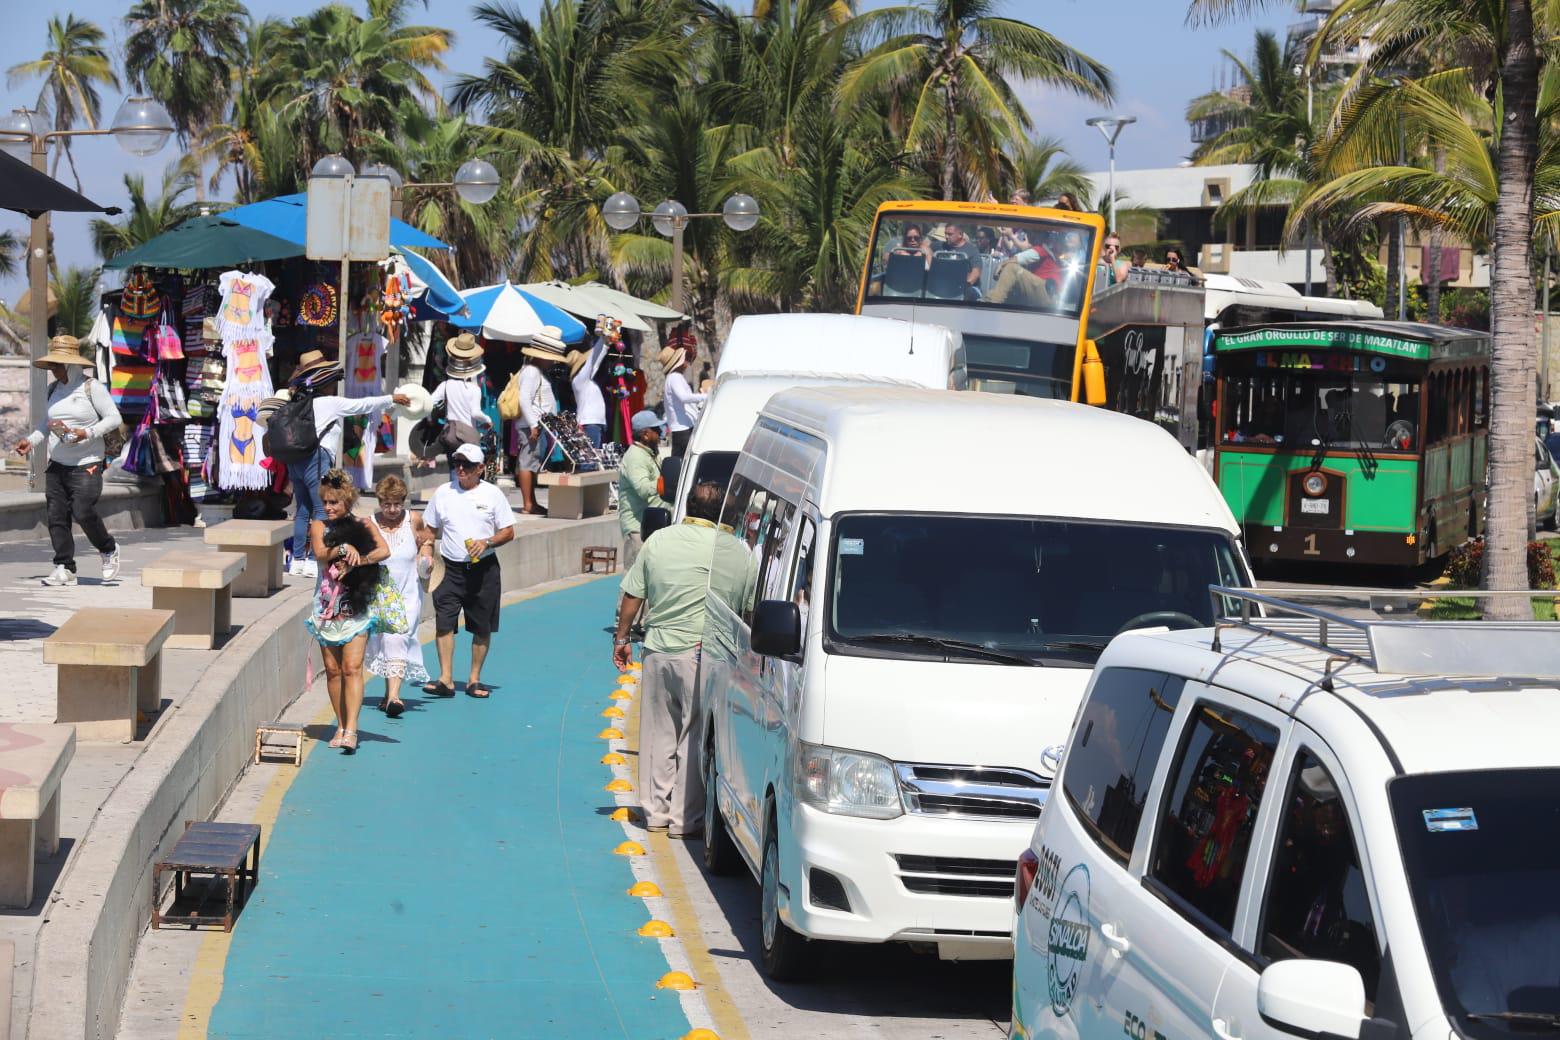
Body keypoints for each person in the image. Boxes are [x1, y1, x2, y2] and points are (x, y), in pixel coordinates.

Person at [611, 481, 732, 837]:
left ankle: (655, 813)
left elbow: (633, 593)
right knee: (692, 735)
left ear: (688, 507)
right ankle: (684, 819)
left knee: (657, 733)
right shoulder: (728, 549)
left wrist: (621, 638)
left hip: (658, 649)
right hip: (700, 653)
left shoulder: (658, 540)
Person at [285, 350, 408, 577]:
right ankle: (313, 560)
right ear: (325, 381)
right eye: (332, 380)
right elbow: (362, 405)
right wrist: (391, 399)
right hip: (317, 459)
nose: (334, 385)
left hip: (296, 460)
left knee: (302, 509)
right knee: (322, 509)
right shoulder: (329, 403)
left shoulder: (297, 402)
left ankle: (297, 561)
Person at [14, 335, 123, 587]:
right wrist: (31, 440)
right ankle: (64, 567)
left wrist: (88, 432)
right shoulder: (53, 390)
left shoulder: (91, 387)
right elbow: (47, 424)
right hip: (58, 465)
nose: (53, 369)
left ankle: (108, 548)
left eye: (57, 364)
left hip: (88, 461)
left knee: (83, 511)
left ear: (72, 365)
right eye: (51, 364)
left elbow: (114, 418)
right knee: (56, 516)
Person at [306, 469, 394, 754]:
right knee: (332, 670)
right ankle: (341, 725)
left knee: (351, 667)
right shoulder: (318, 525)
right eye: (326, 502)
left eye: (335, 502)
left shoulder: (363, 523)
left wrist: (361, 559)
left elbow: (384, 550)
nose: (329, 508)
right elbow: (320, 554)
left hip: (356, 605)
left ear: (347, 501)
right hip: (326, 605)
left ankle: (352, 729)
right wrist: (343, 547)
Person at [422, 443, 516, 698]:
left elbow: (508, 531)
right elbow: (429, 530)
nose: (460, 469)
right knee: (444, 623)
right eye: (457, 464)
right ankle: (446, 679)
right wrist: (427, 552)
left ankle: (474, 679)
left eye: (467, 465)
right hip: (449, 569)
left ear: (481, 468)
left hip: (483, 569)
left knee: (481, 626)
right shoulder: (443, 492)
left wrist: (486, 542)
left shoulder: (493, 494)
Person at [365, 474, 434, 718]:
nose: (392, 510)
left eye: (397, 504)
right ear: (379, 501)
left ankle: (394, 696)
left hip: (408, 591)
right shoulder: (369, 523)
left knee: (399, 637)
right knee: (386, 640)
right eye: (387, 504)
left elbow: (428, 539)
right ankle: (388, 694)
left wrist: (426, 554)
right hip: (379, 593)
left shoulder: (413, 520)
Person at [515, 326, 566, 515]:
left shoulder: (533, 370)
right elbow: (524, 399)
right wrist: (533, 425)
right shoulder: (531, 372)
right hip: (531, 425)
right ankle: (528, 503)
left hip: (534, 424)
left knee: (531, 462)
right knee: (527, 462)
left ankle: (531, 502)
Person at [618, 409, 668, 568]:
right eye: (656, 430)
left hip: (651, 525)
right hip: (638, 529)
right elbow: (642, 488)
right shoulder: (635, 457)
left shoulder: (650, 453)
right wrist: (665, 483)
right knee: (633, 580)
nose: (661, 432)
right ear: (645, 434)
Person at [430, 333, 494, 444]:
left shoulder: (445, 385)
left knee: (451, 459)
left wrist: (429, 419)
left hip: (450, 435)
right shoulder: (474, 389)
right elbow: (475, 413)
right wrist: (488, 420)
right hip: (468, 436)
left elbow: (429, 403)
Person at [660, 346, 705, 458]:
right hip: (683, 428)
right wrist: (705, 396)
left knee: (679, 460)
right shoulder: (675, 377)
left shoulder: (672, 378)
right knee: (684, 460)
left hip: (681, 428)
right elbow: (684, 397)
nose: (686, 362)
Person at [567, 339, 608, 448]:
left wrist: (606, 345)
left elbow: (596, 362)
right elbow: (592, 360)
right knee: (589, 460)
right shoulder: (580, 379)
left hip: (593, 423)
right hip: (590, 424)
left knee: (592, 458)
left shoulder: (584, 379)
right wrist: (602, 339)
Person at [938, 222, 983, 297]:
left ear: (960, 235)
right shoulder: (941, 246)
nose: (946, 236)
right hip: (945, 285)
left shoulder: (972, 250)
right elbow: (925, 246)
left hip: (968, 287)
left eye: (950, 234)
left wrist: (965, 285)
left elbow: (976, 272)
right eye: (945, 233)